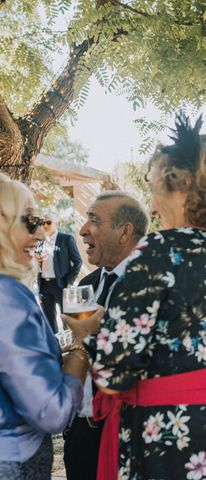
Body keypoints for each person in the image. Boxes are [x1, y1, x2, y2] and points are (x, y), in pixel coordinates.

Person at [77, 114, 206, 480]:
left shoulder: (158, 251)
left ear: (181, 187)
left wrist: (90, 335)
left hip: (179, 443)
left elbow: (112, 372)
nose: (151, 207)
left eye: (154, 188)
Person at [0, 173, 100, 479]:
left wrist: (50, 353)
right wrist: (81, 346)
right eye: (30, 221)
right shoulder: (10, 300)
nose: (41, 235)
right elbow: (52, 413)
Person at [63, 191, 149, 480]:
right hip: (80, 437)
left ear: (124, 232)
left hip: (126, 436)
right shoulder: (86, 285)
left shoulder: (150, 286)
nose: (83, 230)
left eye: (94, 220)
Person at [37, 212, 82, 333]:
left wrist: (69, 281)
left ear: (56, 223)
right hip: (44, 286)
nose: (45, 225)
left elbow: (78, 261)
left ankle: (74, 347)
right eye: (42, 223)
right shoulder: (40, 243)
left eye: (48, 222)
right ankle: (56, 348)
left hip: (61, 284)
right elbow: (37, 265)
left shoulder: (66, 239)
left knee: (67, 319)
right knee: (49, 321)